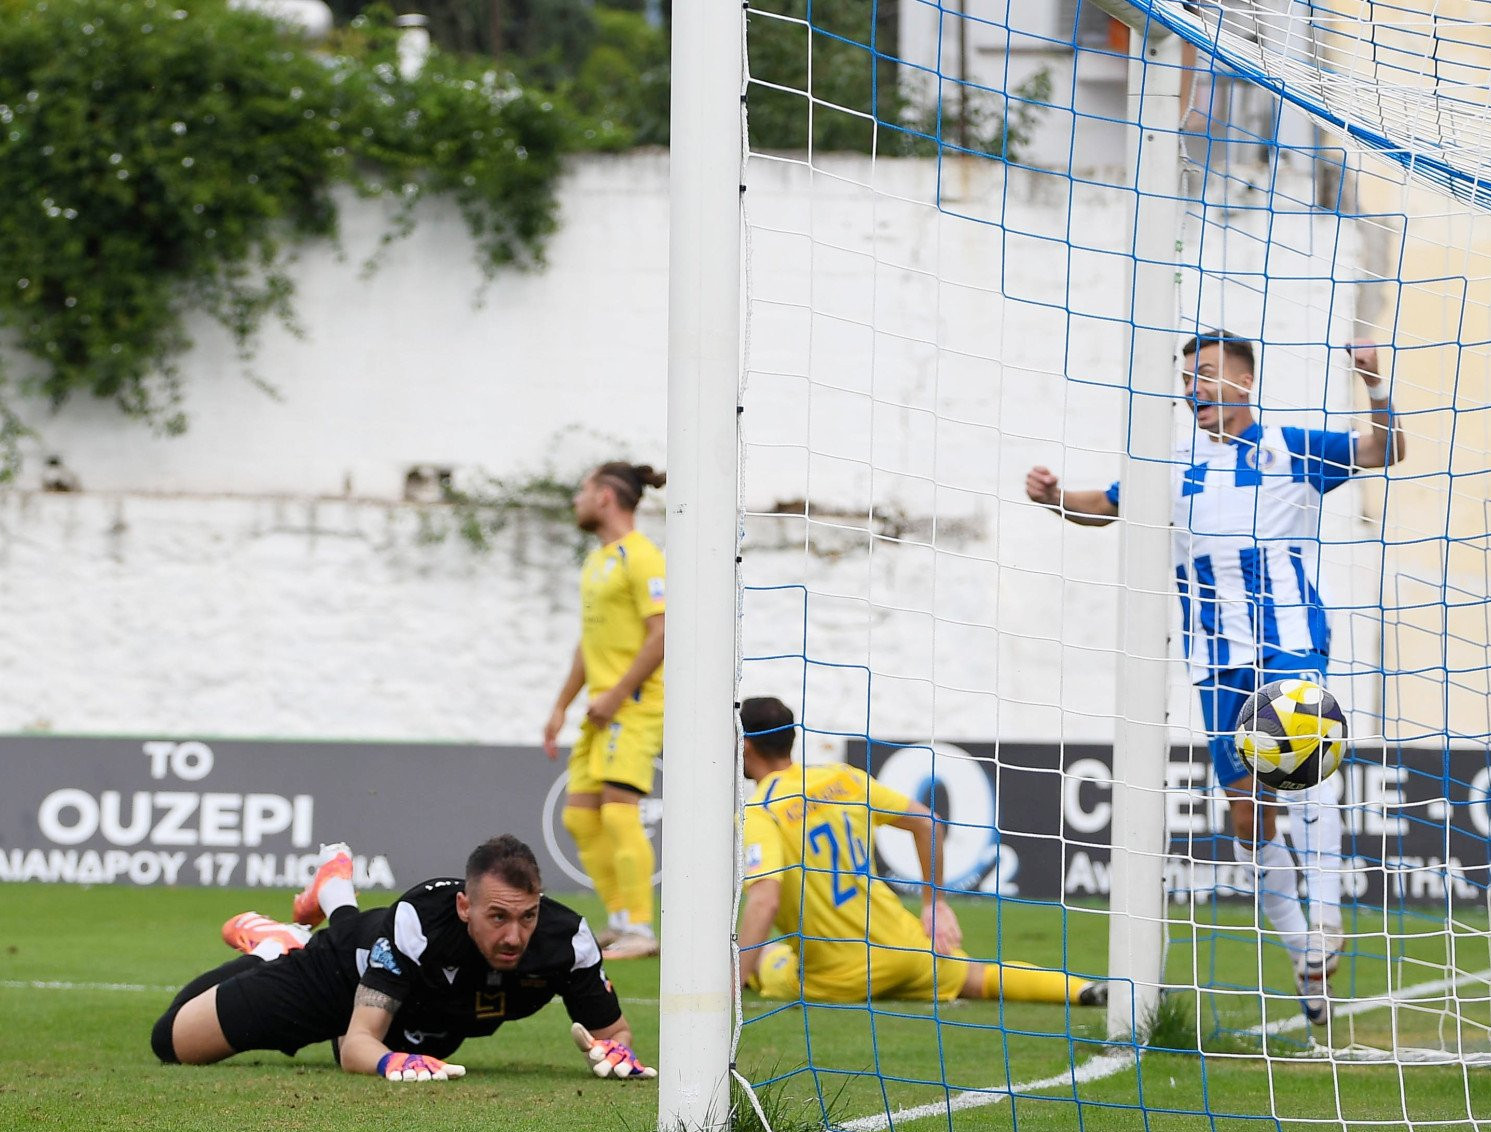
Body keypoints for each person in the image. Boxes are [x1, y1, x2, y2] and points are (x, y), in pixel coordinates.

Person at [1023, 330, 1405, 1023]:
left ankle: (1324, 918)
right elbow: (1102, 507)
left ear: (1243, 382)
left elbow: (1385, 450)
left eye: (1205, 374)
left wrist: (1374, 384)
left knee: (1307, 771)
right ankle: (1304, 954)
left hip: (1290, 642)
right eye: (1187, 377)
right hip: (1216, 661)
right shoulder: (1169, 468)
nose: (1192, 387)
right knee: (1246, 813)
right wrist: (1052, 499)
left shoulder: (1292, 447)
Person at [152, 835, 655, 1082]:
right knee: (173, 1040)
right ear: (465, 907)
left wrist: (618, 1051)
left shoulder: (567, 941)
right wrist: (393, 1061)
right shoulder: (421, 921)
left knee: (409, 1038)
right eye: (497, 917)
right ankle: (278, 944)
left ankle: (332, 894)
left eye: (526, 917)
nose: (514, 936)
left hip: (428, 1015)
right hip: (340, 971)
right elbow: (358, 1046)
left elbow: (614, 1034)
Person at [737, 697, 1106, 1009]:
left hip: (838, 977)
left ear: (745, 745)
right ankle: (1084, 990)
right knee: (979, 977)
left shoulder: (761, 810)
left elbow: (765, 901)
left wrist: (735, 983)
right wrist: (934, 903)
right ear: (792, 739)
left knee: (766, 956)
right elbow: (928, 823)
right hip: (906, 949)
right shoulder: (843, 778)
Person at [541, 462, 667, 962]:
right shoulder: (597, 563)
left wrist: (615, 695)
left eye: (583, 490)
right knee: (579, 817)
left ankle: (641, 927)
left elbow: (663, 634)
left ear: (606, 499)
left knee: (618, 812)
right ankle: (618, 919)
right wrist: (560, 705)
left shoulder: (644, 558)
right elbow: (588, 645)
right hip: (599, 710)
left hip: (633, 706)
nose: (576, 499)